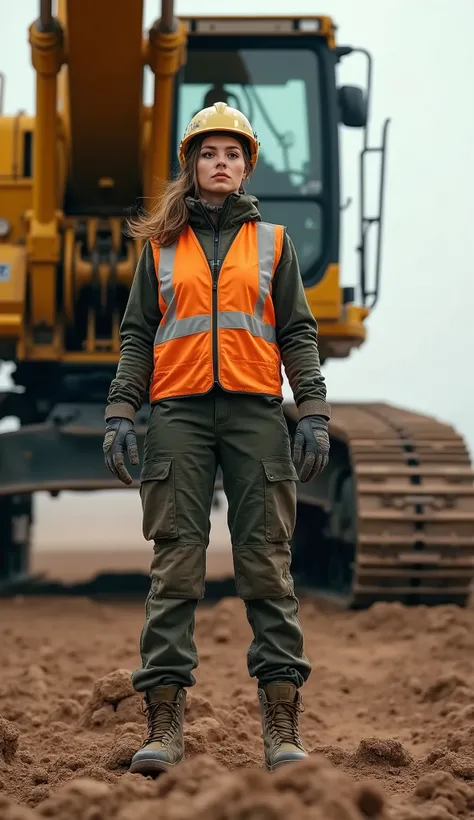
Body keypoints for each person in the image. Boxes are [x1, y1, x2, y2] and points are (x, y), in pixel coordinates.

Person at [103, 102, 331, 776]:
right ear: (191, 166)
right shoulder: (160, 249)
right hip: (178, 417)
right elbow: (138, 336)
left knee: (267, 566)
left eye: (232, 153)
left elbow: (297, 330)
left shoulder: (275, 243)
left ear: (246, 165)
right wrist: (122, 409)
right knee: (175, 570)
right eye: (209, 153)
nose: (221, 162)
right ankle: (165, 728)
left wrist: (312, 408)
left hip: (257, 416)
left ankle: (282, 729)